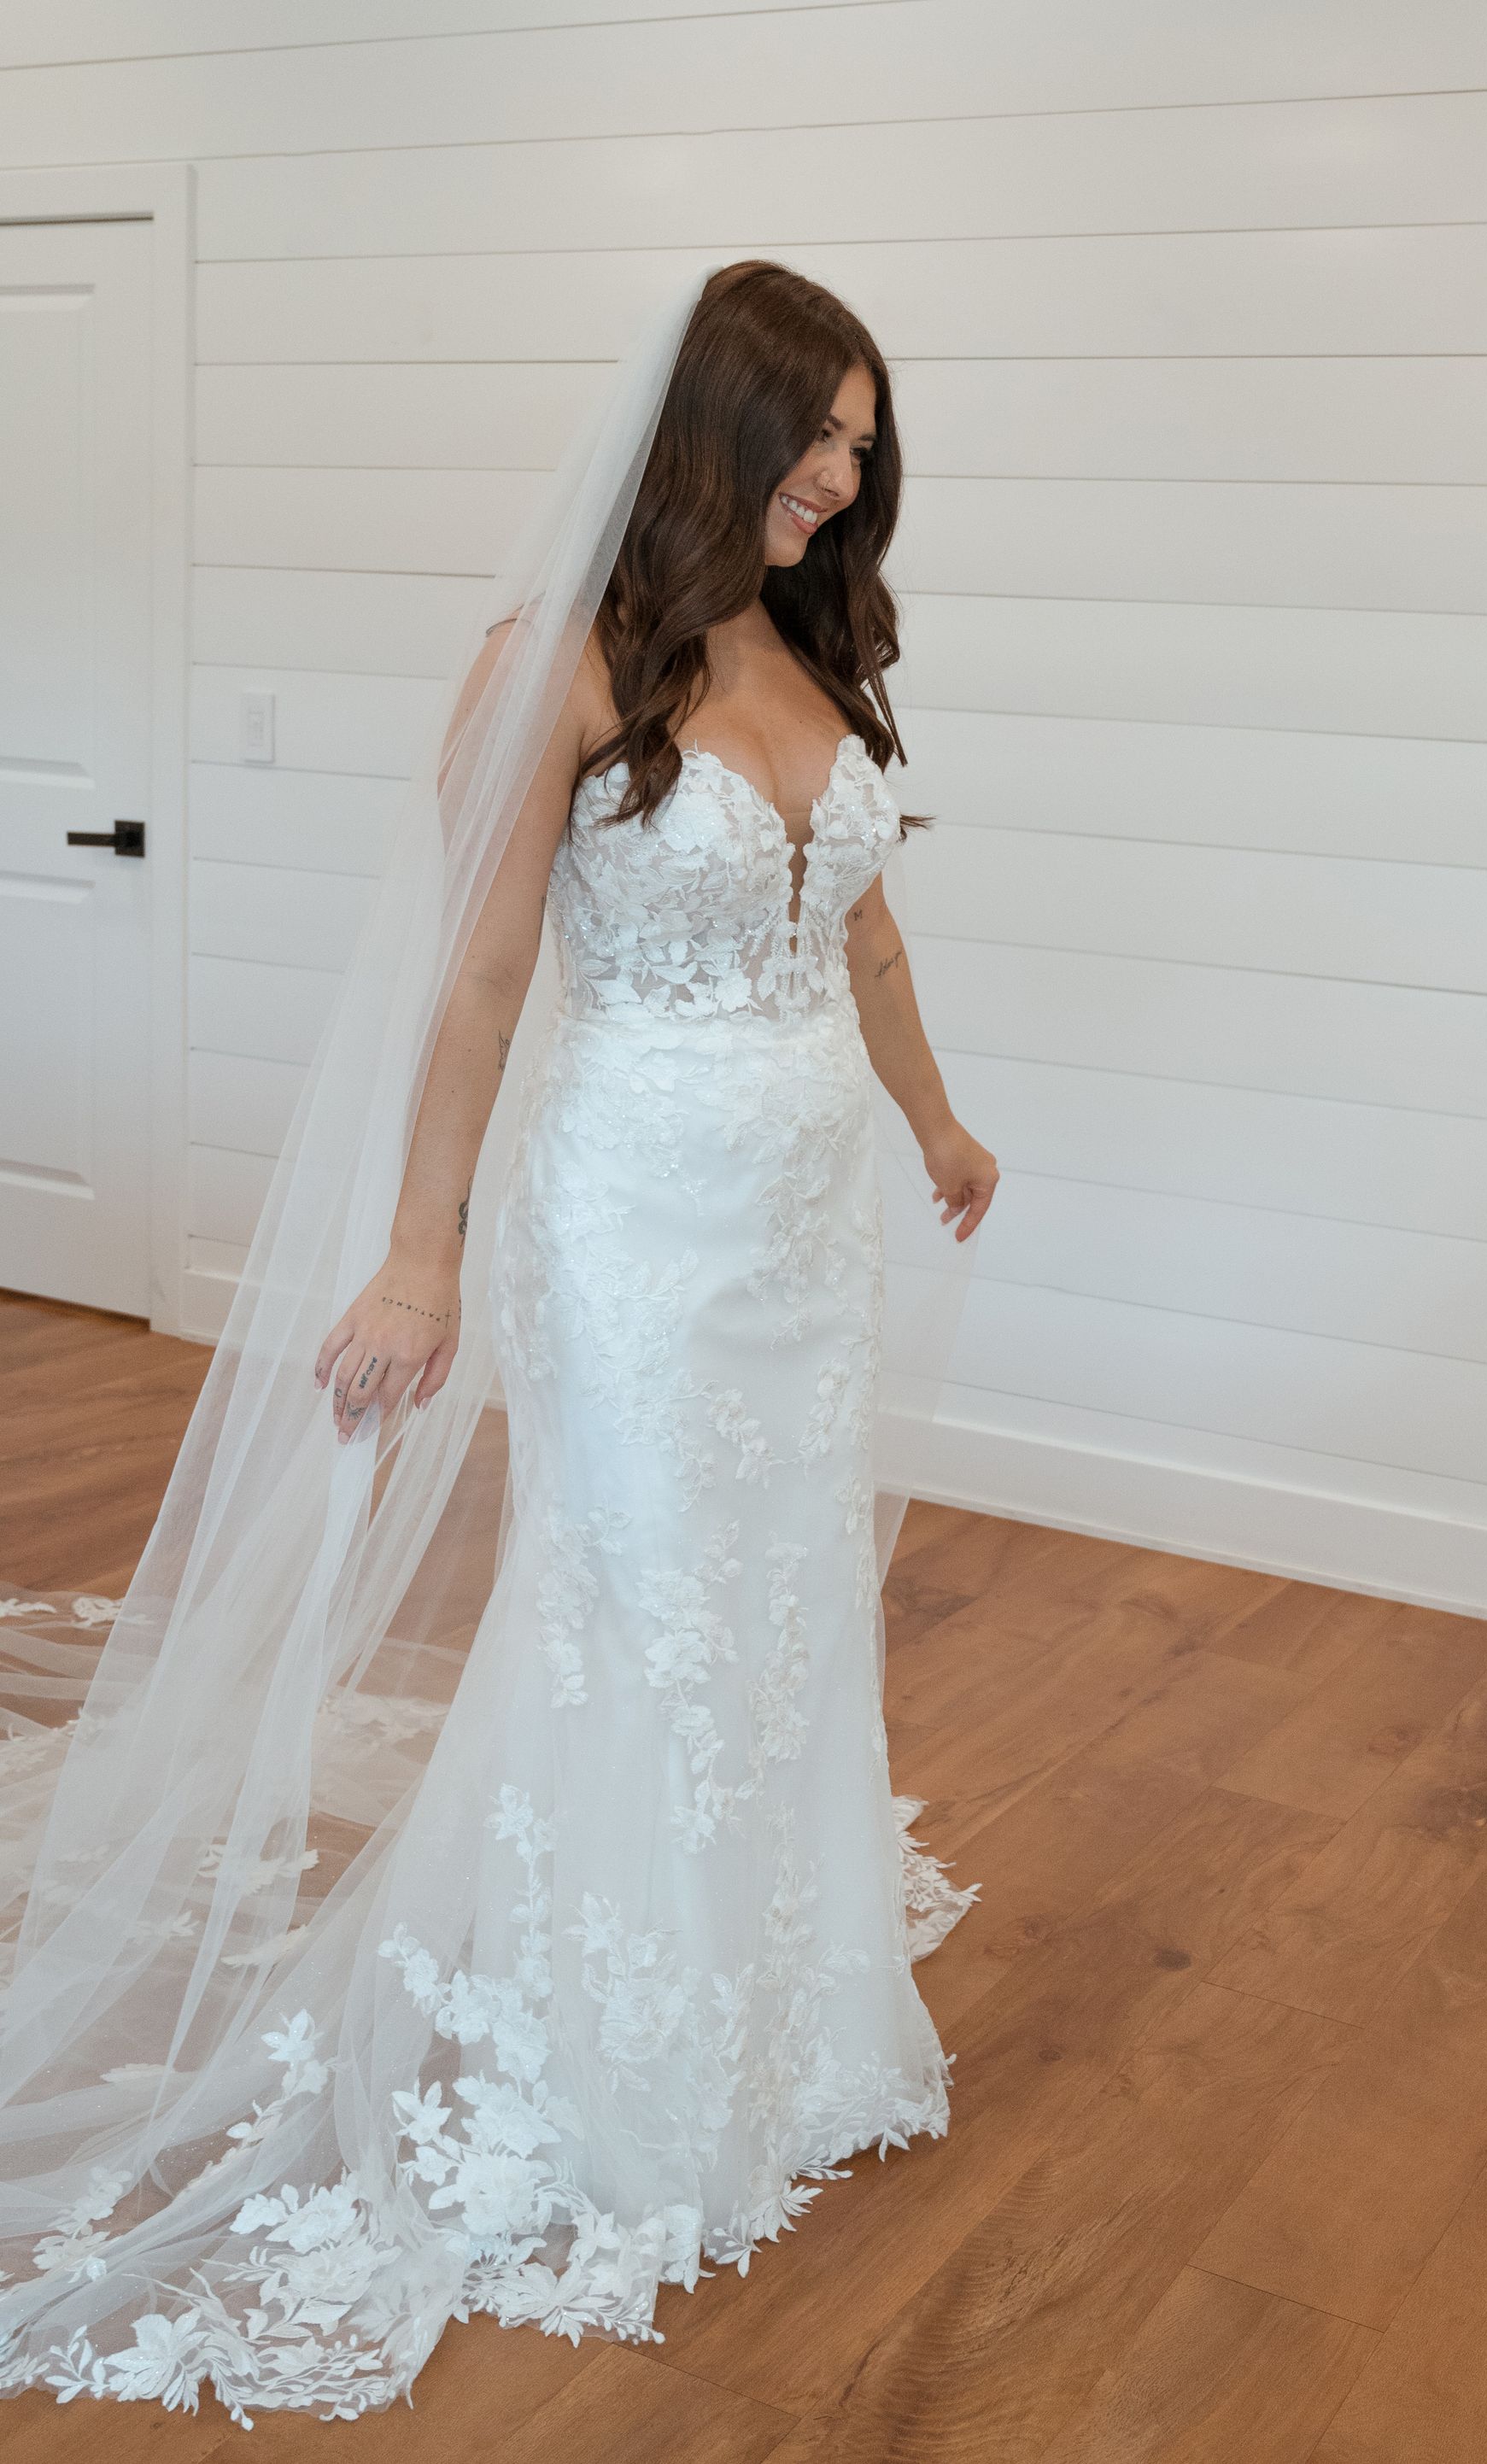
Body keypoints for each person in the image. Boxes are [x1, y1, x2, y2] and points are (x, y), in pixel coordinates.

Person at [0, 259, 996, 2423]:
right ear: (714, 426)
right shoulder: (553, 663)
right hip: (631, 1224)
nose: (846, 472)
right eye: (816, 431)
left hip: (811, 1235)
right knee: (637, 1603)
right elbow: (471, 985)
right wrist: (421, 1254)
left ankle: (773, 1980)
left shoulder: (811, 652)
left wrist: (934, 1120)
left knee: (786, 1599)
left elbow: (875, 927)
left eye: (861, 436)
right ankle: (619, 2046)